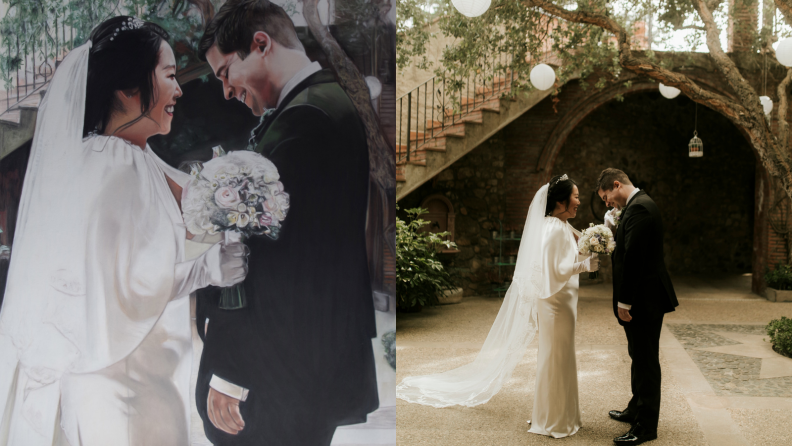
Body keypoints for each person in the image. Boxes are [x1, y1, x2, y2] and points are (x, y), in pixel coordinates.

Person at [0, 17, 247, 446]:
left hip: (128, 372)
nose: (179, 89)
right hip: (128, 382)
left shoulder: (118, 154)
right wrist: (207, 268)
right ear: (130, 89)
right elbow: (127, 285)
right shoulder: (119, 162)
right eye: (169, 76)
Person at [194, 1, 379, 444]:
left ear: (260, 44)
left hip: (281, 369)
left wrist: (230, 370)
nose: (226, 92)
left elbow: (278, 263)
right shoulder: (322, 103)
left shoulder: (305, 121)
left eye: (224, 74)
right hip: (310, 360)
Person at [396, 174, 598, 439]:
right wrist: (585, 265)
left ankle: (556, 415)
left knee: (556, 356)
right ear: (561, 201)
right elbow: (554, 270)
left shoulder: (555, 225)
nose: (579, 202)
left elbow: (559, 260)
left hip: (560, 301)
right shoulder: (556, 228)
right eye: (576, 196)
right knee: (557, 357)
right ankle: (554, 420)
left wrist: (591, 247)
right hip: (558, 303)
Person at [597, 168, 678, 445]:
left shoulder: (641, 209)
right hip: (643, 297)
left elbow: (633, 258)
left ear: (617, 185)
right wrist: (612, 229)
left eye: (607, 197)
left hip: (644, 299)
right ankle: (636, 409)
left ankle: (645, 426)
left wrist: (624, 301)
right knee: (638, 356)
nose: (607, 203)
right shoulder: (636, 205)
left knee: (646, 361)